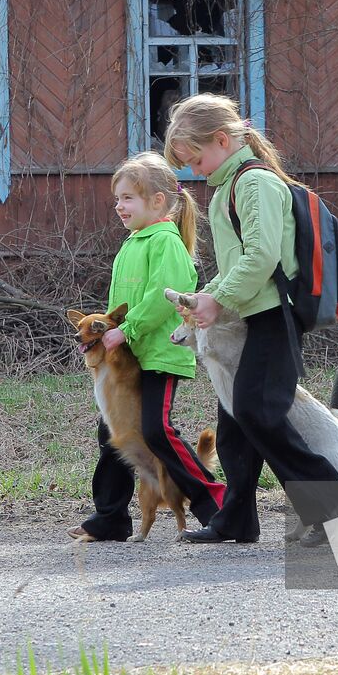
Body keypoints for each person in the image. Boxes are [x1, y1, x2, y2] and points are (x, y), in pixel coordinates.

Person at [163, 93, 338, 546]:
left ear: (222, 140)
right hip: (253, 313)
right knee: (235, 423)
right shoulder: (228, 188)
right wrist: (205, 297)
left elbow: (261, 258)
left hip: (274, 315)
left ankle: (328, 498)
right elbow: (236, 267)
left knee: (255, 410)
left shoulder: (255, 184)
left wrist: (217, 299)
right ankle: (237, 520)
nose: (195, 171)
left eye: (196, 159)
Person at [69, 152, 227, 541]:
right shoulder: (132, 243)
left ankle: (216, 505)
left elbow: (162, 297)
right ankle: (111, 517)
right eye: (117, 199)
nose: (119, 206)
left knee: (158, 431)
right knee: (112, 433)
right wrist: (109, 337)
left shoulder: (166, 242)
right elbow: (119, 306)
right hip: (130, 358)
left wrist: (128, 330)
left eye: (128, 198)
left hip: (159, 355)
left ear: (157, 201)